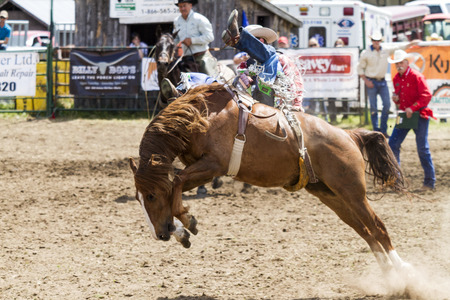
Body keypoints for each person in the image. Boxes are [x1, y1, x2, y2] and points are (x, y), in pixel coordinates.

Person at [222, 10, 304, 111]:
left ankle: (238, 39)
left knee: (269, 56)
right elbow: (238, 82)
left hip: (279, 105)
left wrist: (297, 104)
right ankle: (237, 39)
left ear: (260, 41)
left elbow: (296, 81)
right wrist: (244, 77)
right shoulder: (246, 64)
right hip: (254, 106)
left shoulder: (280, 58)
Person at [387, 50, 436, 191]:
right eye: (397, 63)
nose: (399, 65)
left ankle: (429, 182)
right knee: (392, 144)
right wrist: (396, 99)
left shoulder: (417, 76)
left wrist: (412, 108)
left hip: (419, 114)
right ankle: (396, 180)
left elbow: (426, 95)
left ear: (407, 63)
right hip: (404, 114)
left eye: (401, 62)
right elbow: (399, 96)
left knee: (422, 148)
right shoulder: (397, 79)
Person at [357, 31, 419, 137]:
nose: (376, 42)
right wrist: (366, 81)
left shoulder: (385, 50)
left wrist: (410, 43)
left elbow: (399, 47)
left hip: (382, 81)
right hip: (371, 80)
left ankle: (383, 130)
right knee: (373, 107)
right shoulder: (365, 53)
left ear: (380, 41)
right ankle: (376, 131)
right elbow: (360, 68)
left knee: (386, 105)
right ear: (372, 41)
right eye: (374, 40)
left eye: (378, 41)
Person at [173, 0, 219, 77]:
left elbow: (210, 37)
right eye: (180, 6)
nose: (182, 8)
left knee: (210, 79)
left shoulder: (200, 19)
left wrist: (192, 40)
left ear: (190, 5)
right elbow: (176, 38)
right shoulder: (177, 21)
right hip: (185, 57)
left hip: (201, 56)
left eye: (184, 5)